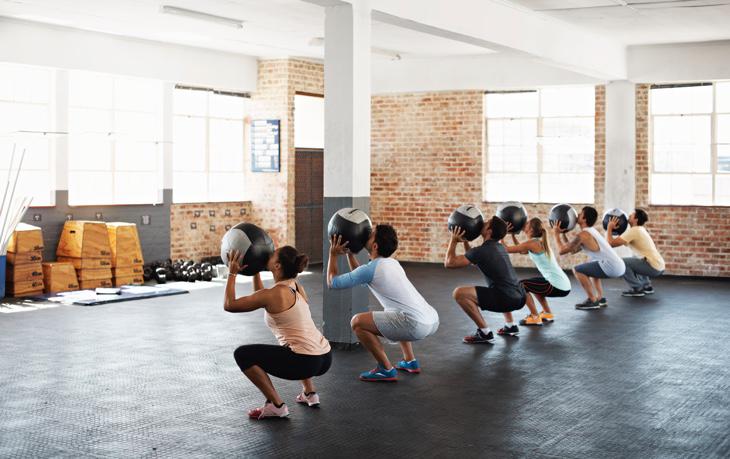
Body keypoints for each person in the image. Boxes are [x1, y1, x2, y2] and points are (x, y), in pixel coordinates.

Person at [224, 246, 332, 419]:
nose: (268, 254)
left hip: (305, 362)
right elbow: (261, 296)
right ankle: (309, 393)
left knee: (243, 354)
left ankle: (276, 405)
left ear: (278, 266)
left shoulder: (275, 293)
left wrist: (232, 274)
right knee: (294, 340)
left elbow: (229, 305)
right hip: (325, 357)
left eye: (273, 255)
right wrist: (255, 270)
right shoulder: (296, 286)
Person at [327, 224, 439, 382]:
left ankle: (385, 369)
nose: (367, 233)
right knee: (395, 311)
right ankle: (410, 361)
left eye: (371, 233)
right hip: (431, 318)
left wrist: (333, 254)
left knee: (357, 322)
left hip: (415, 324)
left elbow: (333, 282)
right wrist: (350, 254)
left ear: (374, 246)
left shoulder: (371, 269)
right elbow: (361, 276)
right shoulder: (393, 263)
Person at [445, 215, 526, 343]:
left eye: (486, 223)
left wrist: (453, 240)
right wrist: (466, 240)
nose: (482, 223)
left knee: (459, 293)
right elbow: (474, 260)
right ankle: (510, 325)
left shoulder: (482, 250)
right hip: (520, 297)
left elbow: (450, 263)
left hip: (507, 299)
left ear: (489, 231)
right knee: (500, 287)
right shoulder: (499, 247)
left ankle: (485, 333)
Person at [552, 206, 625, 310]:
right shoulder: (590, 232)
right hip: (618, 266)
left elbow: (561, 251)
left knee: (577, 270)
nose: (577, 214)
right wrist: (563, 234)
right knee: (592, 267)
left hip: (612, 266)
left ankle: (592, 300)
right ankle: (600, 298)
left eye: (581, 214)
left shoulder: (584, 235)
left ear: (584, 219)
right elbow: (572, 250)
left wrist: (556, 234)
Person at [501, 217, 571, 326]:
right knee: (534, 285)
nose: (525, 224)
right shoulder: (538, 242)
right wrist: (513, 234)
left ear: (531, 230)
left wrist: (502, 233)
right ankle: (547, 313)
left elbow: (506, 249)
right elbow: (521, 250)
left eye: (527, 224)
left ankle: (535, 317)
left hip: (556, 285)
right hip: (562, 284)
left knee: (522, 285)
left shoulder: (532, 243)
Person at [605, 208, 665, 297]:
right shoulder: (639, 229)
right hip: (659, 266)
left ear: (636, 219)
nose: (629, 215)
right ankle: (647, 286)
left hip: (653, 267)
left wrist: (609, 227)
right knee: (636, 259)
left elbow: (611, 243)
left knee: (622, 262)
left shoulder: (634, 231)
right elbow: (620, 239)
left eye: (632, 214)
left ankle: (637, 288)